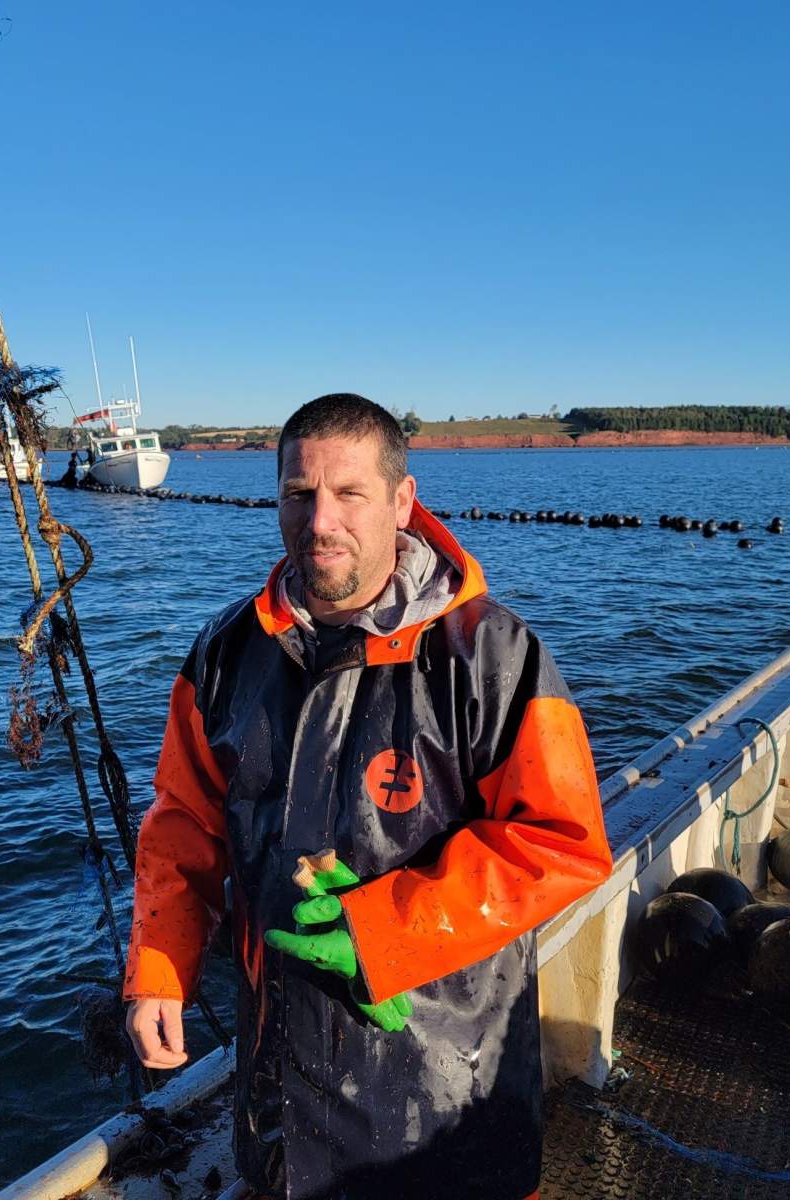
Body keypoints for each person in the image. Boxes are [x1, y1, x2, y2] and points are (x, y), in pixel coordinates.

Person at [123, 394, 613, 1199]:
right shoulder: (223, 653)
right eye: (298, 493)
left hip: (453, 1096)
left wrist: (385, 932)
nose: (320, 521)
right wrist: (158, 970)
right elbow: (183, 826)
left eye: (349, 493)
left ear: (402, 500)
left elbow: (562, 841)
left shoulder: (493, 656)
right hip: (280, 1097)